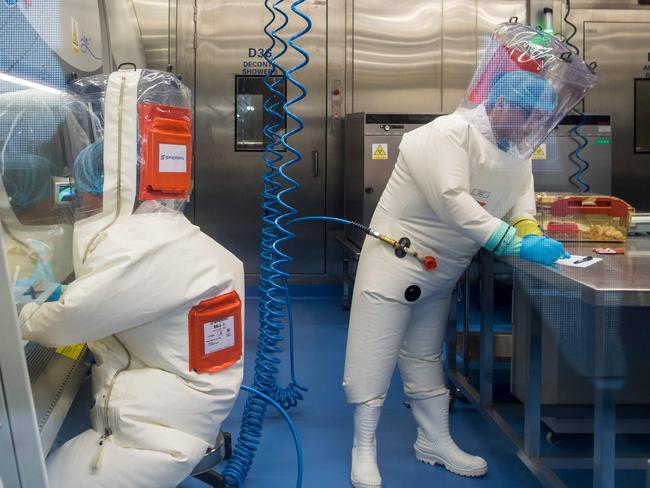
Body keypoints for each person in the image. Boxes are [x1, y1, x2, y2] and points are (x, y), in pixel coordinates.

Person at [343, 21, 597, 488]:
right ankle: (363, 448)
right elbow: (454, 202)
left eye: (535, 120)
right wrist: (512, 242)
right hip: (393, 264)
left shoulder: (515, 150)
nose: (529, 127)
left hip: (443, 272)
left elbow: (520, 202)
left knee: (424, 357)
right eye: (523, 116)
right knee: (372, 356)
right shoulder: (442, 135)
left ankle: (433, 442)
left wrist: (527, 229)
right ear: (498, 103)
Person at [18, 68, 245, 488]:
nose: (78, 196)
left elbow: (71, 317)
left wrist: (20, 311)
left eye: (84, 187)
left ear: (111, 187)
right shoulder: (168, 234)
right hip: (174, 410)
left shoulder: (146, 250)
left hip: (158, 432)